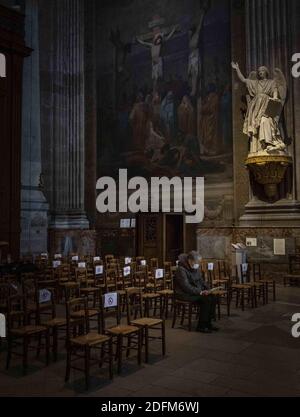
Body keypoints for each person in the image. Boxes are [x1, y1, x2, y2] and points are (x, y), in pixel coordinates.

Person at [174, 251, 219, 333]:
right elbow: (186, 286)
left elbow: (201, 280)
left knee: (213, 297)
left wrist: (208, 289)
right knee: (206, 300)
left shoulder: (194, 267)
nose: (197, 264)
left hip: (194, 292)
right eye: (196, 262)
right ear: (190, 260)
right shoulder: (181, 270)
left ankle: (208, 323)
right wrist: (200, 292)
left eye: (198, 262)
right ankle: (201, 326)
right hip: (183, 294)